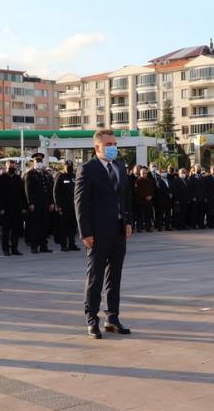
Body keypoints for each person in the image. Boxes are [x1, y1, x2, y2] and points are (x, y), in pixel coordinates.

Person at [74, 129, 132, 339]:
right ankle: (92, 319)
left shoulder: (119, 165)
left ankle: (112, 317)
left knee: (115, 276)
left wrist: (128, 221)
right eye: (109, 144)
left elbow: (125, 196)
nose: (113, 147)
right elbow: (80, 203)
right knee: (95, 276)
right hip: (97, 232)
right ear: (97, 147)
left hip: (118, 229)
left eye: (114, 143)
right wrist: (85, 232)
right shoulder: (87, 169)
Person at [0, 160, 27, 256]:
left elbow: (23, 194)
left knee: (15, 231)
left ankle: (14, 248)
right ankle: (5, 249)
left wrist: (24, 207)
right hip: (5, 210)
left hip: (17, 209)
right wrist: (0, 208)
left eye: (13, 167)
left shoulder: (18, 179)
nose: (12, 168)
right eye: (10, 167)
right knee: (5, 231)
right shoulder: (1, 178)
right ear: (6, 167)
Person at [25, 152, 54, 254]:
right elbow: (28, 190)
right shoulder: (30, 174)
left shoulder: (45, 173)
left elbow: (49, 189)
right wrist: (30, 203)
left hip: (45, 204)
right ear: (33, 162)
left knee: (44, 226)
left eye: (40, 161)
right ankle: (34, 246)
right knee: (35, 226)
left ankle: (43, 246)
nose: (39, 163)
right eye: (37, 161)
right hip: (35, 204)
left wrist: (51, 202)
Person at [53, 161, 79, 251]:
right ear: (64, 167)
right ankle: (63, 245)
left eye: (70, 166)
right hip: (64, 206)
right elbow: (55, 191)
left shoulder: (74, 176)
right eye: (67, 166)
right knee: (64, 226)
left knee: (73, 226)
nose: (69, 167)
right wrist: (58, 205)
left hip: (73, 206)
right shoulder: (60, 176)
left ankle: (72, 243)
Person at [133, 166, 155, 232]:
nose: (144, 174)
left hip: (148, 201)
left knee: (148, 215)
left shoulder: (149, 181)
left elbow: (152, 190)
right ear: (140, 173)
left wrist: (151, 196)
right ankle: (139, 228)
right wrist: (145, 197)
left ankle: (148, 228)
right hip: (141, 201)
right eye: (143, 173)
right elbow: (136, 191)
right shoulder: (138, 181)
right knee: (140, 215)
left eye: (145, 173)